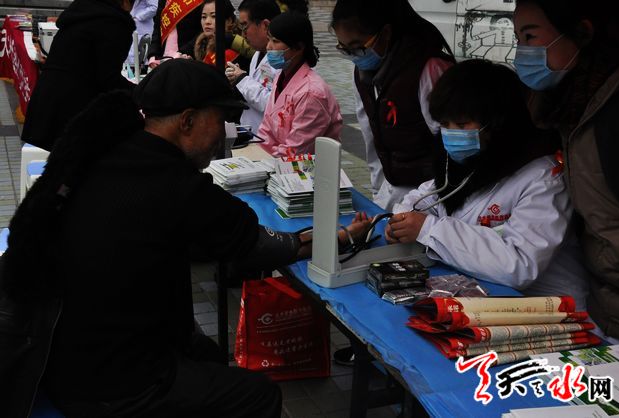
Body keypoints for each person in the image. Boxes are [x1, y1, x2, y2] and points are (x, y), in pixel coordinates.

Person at [0, 59, 370, 418]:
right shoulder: (178, 186)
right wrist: (338, 238)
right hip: (112, 385)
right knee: (259, 396)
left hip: (63, 352)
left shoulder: (104, 153)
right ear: (188, 120)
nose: (223, 134)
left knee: (207, 354)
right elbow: (259, 245)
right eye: (220, 120)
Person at [380, 59, 591, 310]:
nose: (451, 134)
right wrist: (404, 220)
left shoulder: (545, 178)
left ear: (498, 123)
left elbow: (519, 265)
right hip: (482, 297)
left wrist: (429, 230)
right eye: (445, 124)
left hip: (547, 307)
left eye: (461, 125)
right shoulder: (467, 162)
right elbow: (427, 196)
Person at [513, 0, 619, 342]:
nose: (521, 52)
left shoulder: (617, 111)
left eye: (530, 37)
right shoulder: (567, 106)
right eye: (517, 38)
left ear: (582, 32)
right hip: (608, 304)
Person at [330, 0, 455, 211]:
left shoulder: (428, 69)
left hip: (431, 192)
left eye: (358, 47)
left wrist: (432, 200)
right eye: (345, 49)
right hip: (393, 187)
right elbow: (371, 137)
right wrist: (377, 190)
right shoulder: (362, 75)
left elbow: (449, 144)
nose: (354, 57)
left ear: (386, 33)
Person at [21, 0, 136, 151]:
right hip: (73, 108)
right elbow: (108, 78)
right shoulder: (114, 24)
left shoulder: (80, 13)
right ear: (125, 2)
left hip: (45, 101)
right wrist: (141, 92)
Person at [257, 11, 342, 157]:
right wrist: (258, 154)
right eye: (269, 39)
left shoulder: (311, 93)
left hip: (306, 167)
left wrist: (266, 158)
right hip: (277, 162)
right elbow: (267, 128)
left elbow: (296, 150)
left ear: (299, 46)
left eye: (276, 41)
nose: (269, 47)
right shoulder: (281, 77)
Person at [226, 0, 281, 134]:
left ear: (265, 25)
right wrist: (236, 81)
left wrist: (242, 79)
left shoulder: (281, 59)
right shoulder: (257, 53)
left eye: (245, 26)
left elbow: (275, 104)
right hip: (252, 132)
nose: (243, 34)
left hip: (269, 138)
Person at [186, 0, 250, 68]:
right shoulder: (201, 41)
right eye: (204, 17)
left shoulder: (240, 44)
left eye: (214, 16)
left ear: (229, 21)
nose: (207, 22)